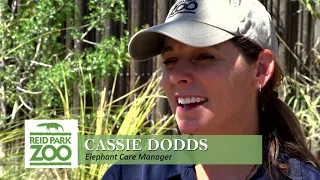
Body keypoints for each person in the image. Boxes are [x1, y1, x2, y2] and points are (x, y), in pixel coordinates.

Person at [102, 0, 320, 179]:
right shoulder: (132, 173)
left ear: (261, 70)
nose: (178, 76)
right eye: (170, 60)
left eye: (204, 56)